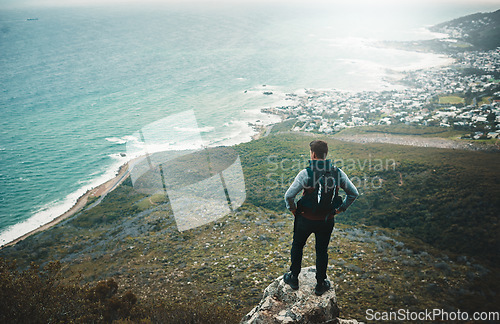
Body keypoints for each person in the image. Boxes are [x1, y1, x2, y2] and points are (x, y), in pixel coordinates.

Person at [283, 140, 359, 295]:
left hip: (304, 219)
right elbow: (353, 193)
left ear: (312, 154)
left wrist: (293, 210)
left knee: (297, 246)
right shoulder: (337, 172)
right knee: (322, 250)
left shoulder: (306, 173)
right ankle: (320, 284)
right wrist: (340, 209)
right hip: (326, 220)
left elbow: (289, 196)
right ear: (326, 154)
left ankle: (294, 278)